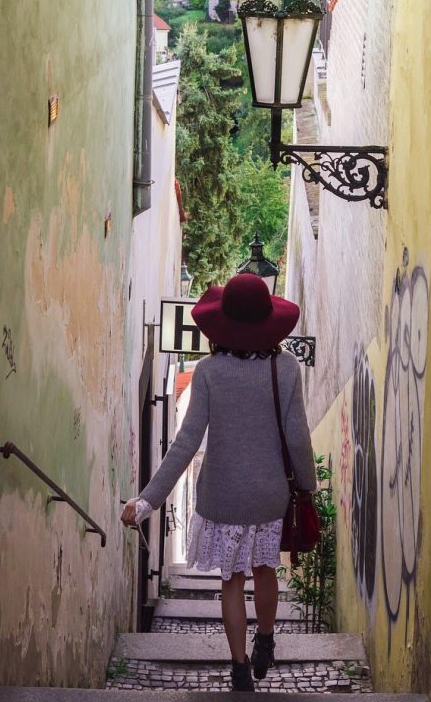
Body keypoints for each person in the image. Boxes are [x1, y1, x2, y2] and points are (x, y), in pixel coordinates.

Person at [121, 273, 316, 692]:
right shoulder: (285, 368)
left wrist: (146, 501)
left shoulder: (208, 371)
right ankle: (265, 640)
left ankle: (239, 667)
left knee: (231, 580)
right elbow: (297, 435)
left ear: (223, 324)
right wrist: (307, 487)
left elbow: (186, 443)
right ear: (268, 322)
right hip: (269, 494)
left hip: (223, 495)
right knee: (266, 571)